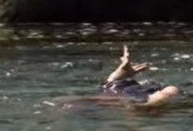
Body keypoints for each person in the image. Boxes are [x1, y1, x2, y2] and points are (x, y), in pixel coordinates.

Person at [49, 46, 180, 109]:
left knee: (110, 90)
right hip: (124, 92)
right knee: (169, 90)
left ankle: (121, 74)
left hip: (120, 91)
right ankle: (121, 74)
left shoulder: (109, 98)